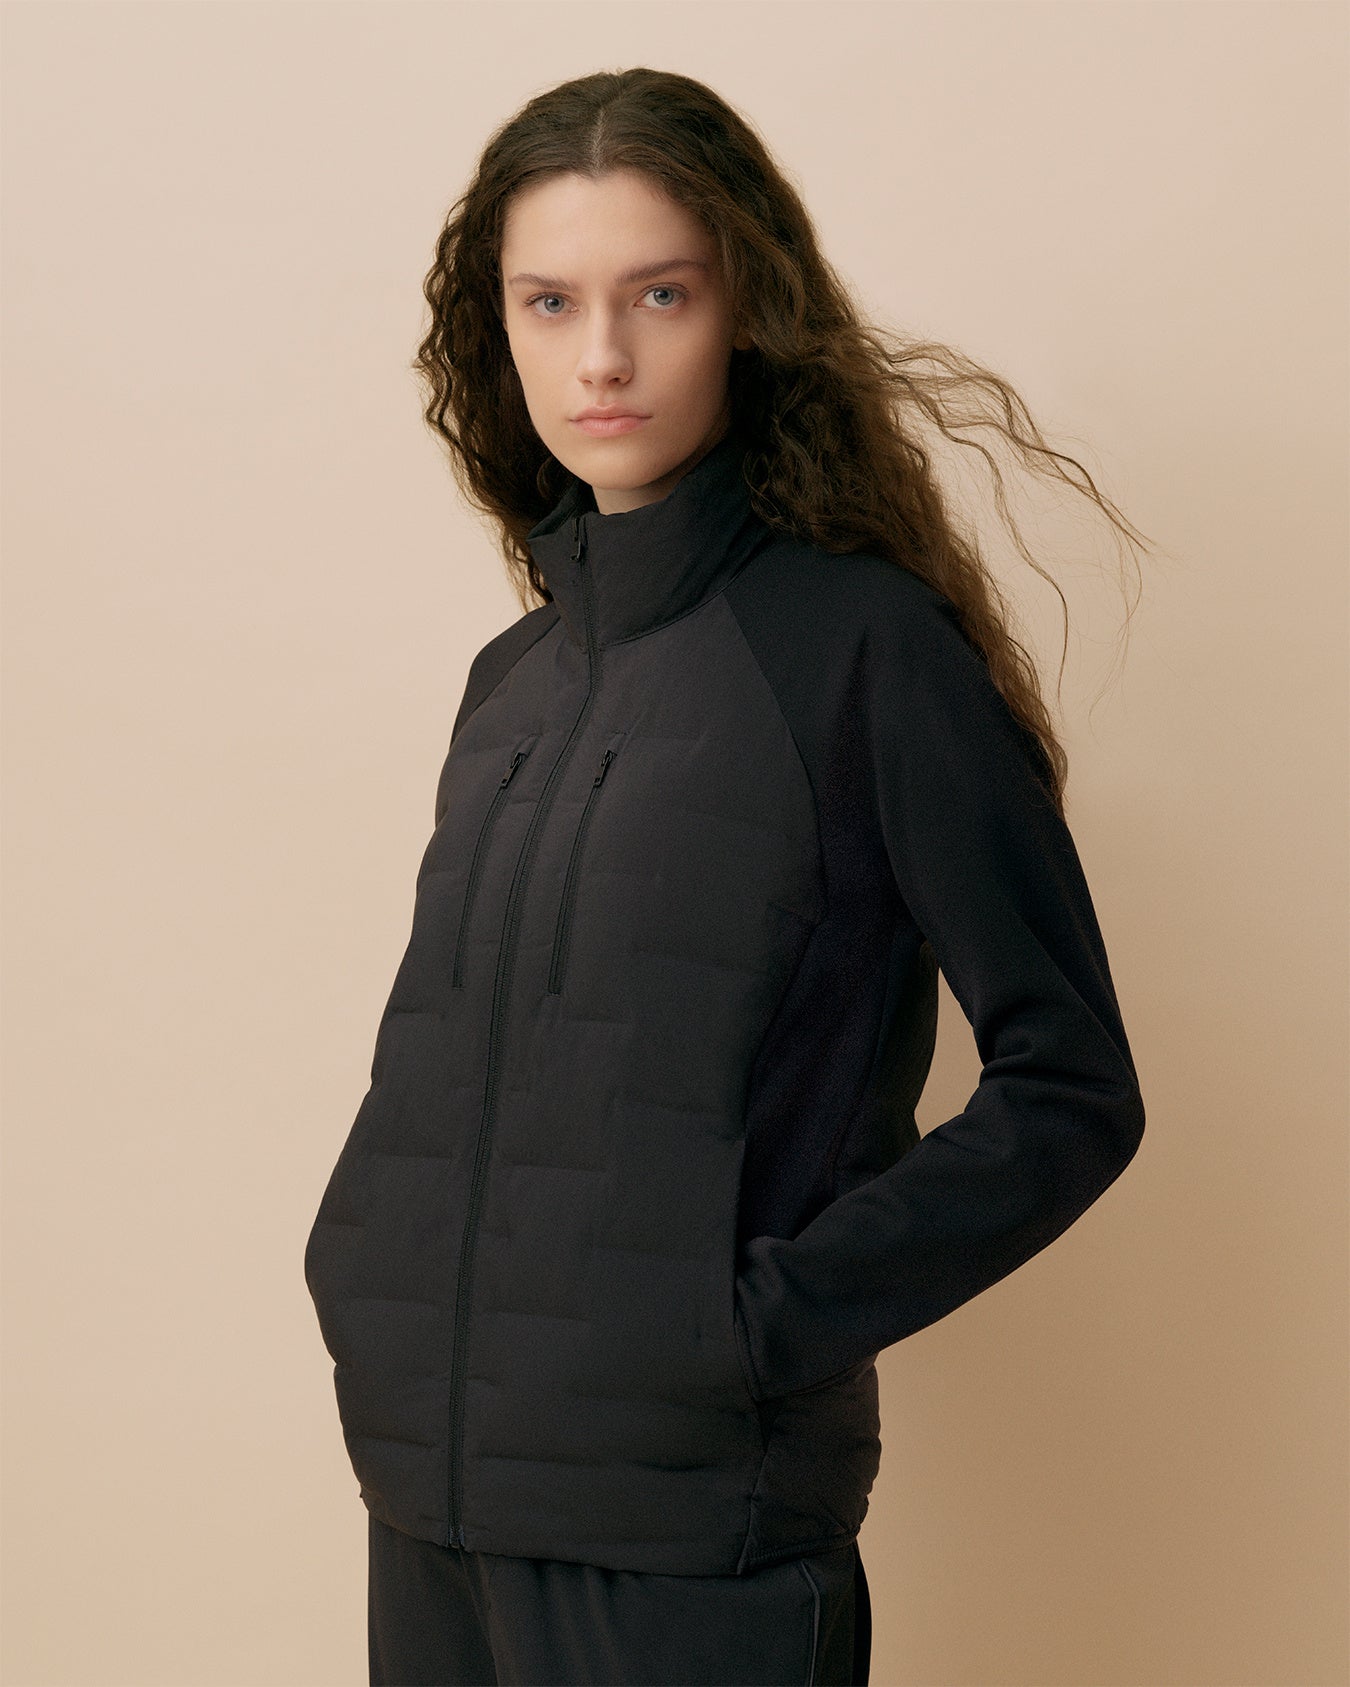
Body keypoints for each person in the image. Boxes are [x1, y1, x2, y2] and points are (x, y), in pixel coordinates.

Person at [303, 65, 1150, 1687]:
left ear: (746, 310)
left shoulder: (862, 654)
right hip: (426, 1505)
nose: (599, 358)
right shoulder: (513, 683)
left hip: (692, 1533)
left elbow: (1071, 1088)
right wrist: (363, 1265)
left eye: (659, 295)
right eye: (549, 303)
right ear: (496, 332)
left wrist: (748, 1328)